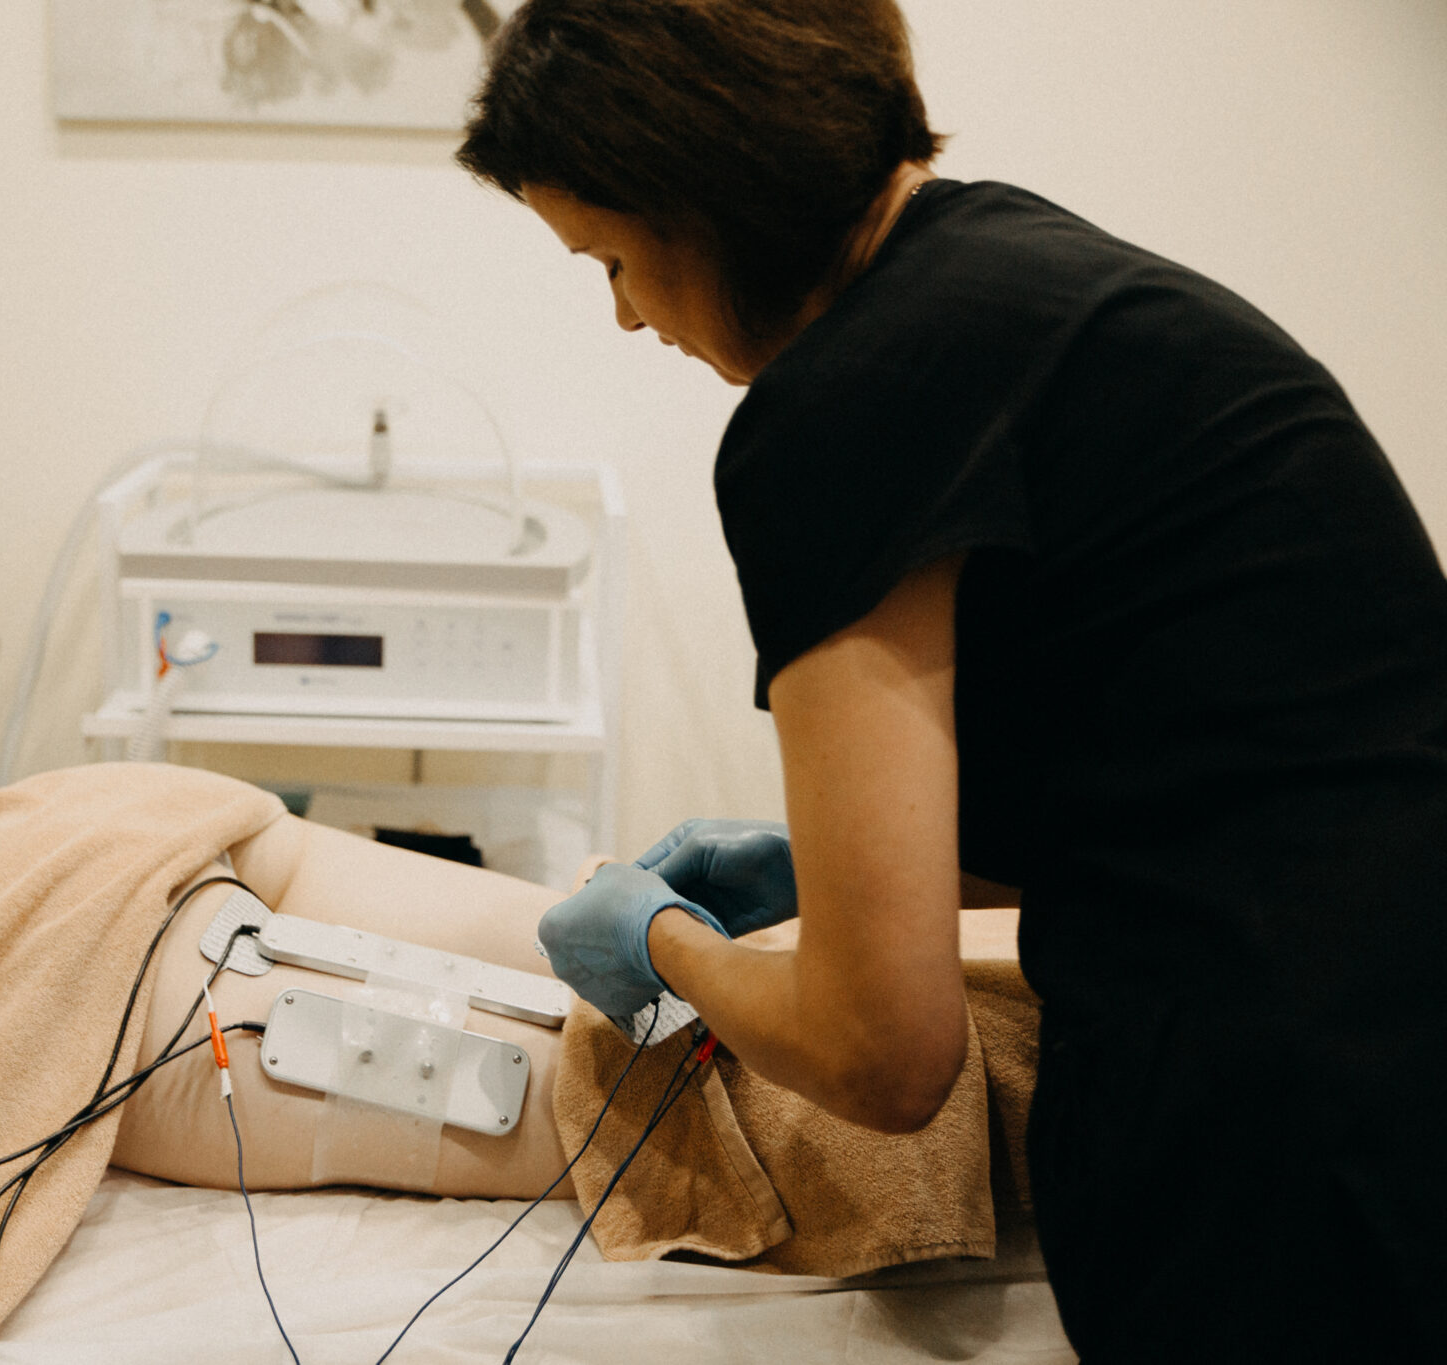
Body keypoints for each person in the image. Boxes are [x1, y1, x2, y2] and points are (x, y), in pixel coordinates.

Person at [454, 0, 1447, 1359]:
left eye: (614, 259)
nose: (625, 315)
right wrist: (856, 870)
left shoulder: (841, 406)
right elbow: (1205, 774)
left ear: (702, 193)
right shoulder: (1030, 281)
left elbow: (883, 1056)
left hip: (1291, 1150)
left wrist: (662, 943)